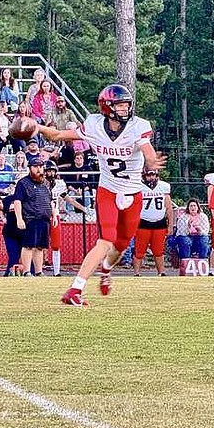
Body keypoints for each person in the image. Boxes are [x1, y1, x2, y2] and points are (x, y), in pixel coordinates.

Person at [36, 84, 165, 306]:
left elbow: (147, 150)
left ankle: (106, 269)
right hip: (107, 190)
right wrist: (36, 127)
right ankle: (75, 289)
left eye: (127, 105)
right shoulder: (94, 125)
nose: (126, 109)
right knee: (105, 241)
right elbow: (57, 134)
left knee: (121, 245)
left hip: (133, 193)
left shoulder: (137, 126)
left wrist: (151, 160)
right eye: (121, 105)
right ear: (108, 107)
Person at [44, 160, 87, 276]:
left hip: (55, 215)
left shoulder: (59, 184)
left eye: (52, 171)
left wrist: (83, 208)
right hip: (41, 215)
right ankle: (35, 270)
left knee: (56, 245)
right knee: (37, 244)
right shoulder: (39, 183)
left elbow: (68, 199)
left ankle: (56, 272)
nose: (50, 174)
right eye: (48, 171)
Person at [13, 158, 54, 276]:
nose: (39, 169)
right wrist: (19, 218)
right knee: (28, 246)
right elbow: (17, 201)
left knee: (40, 247)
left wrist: (54, 215)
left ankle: (39, 271)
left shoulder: (46, 183)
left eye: (41, 167)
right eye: (36, 167)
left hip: (44, 218)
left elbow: (50, 200)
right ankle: (26, 271)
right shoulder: (23, 183)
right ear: (30, 168)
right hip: (30, 218)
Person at [133, 169, 173, 276]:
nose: (152, 177)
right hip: (143, 222)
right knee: (139, 250)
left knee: (159, 250)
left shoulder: (164, 186)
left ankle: (162, 272)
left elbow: (169, 208)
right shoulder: (138, 187)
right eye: (149, 175)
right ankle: (136, 273)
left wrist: (170, 225)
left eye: (154, 175)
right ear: (143, 175)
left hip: (159, 222)